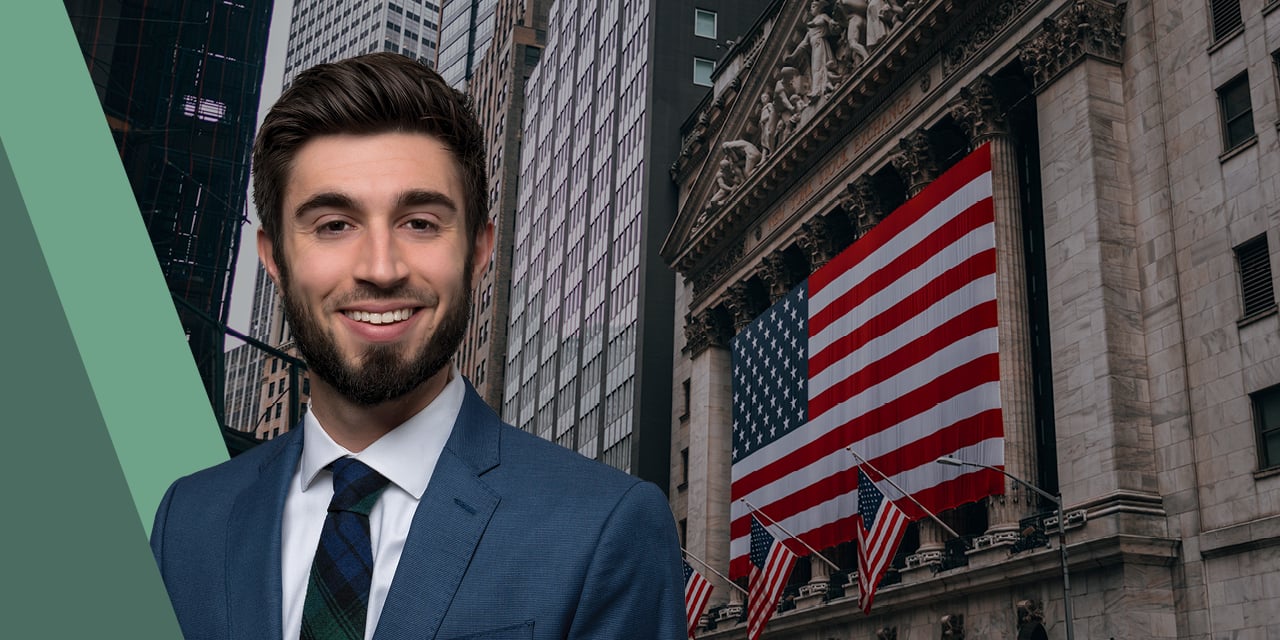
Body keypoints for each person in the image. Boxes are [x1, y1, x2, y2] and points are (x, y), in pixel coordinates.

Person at [150, 53, 686, 640]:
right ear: (274, 257)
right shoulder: (187, 520)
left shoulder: (606, 526)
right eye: (333, 224)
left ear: (479, 251)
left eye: (421, 222)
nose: (381, 268)